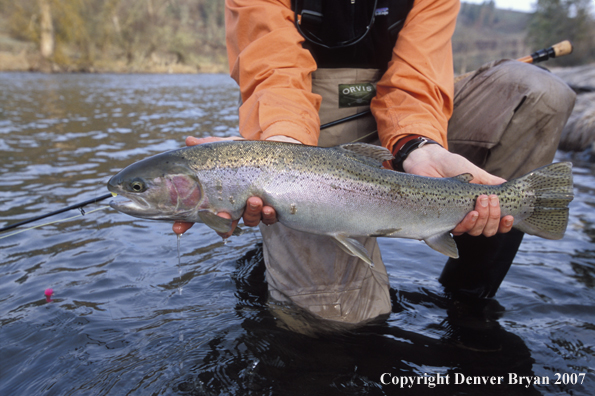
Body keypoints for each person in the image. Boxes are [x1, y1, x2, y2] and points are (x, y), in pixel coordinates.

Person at [174, 0, 575, 326]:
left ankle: (467, 306)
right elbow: (272, 67)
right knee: (338, 324)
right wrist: (281, 148)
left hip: (408, 114)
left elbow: (417, 76)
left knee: (541, 92)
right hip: (306, 123)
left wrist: (419, 144)